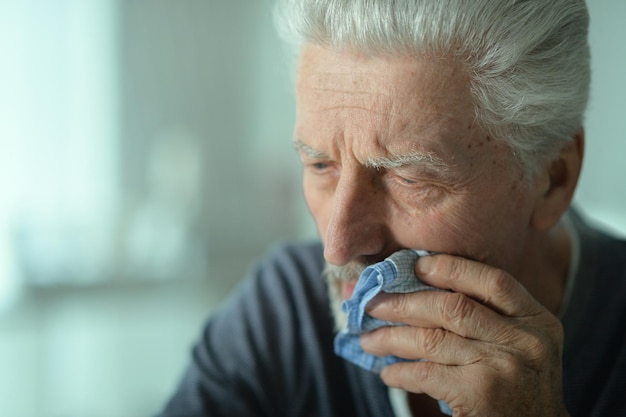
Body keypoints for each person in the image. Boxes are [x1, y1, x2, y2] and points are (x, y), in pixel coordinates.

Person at [157, 1, 626, 416]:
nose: (337, 247)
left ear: (552, 179)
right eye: (321, 164)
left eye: (410, 178)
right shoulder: (282, 314)